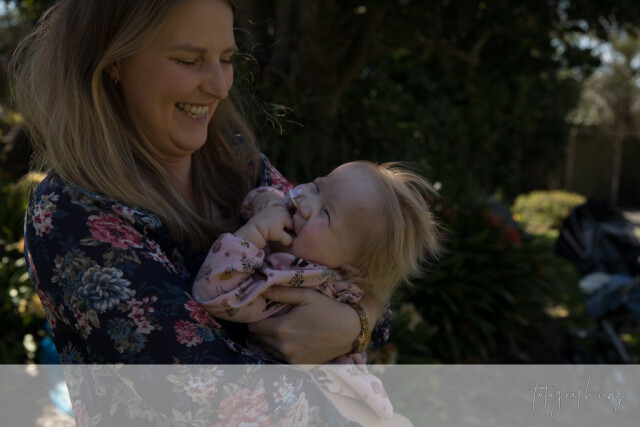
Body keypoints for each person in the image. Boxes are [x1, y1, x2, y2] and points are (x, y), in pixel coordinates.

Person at [8, 0, 412, 425]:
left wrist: (355, 322)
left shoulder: (234, 160)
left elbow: (359, 258)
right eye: (189, 60)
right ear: (113, 63)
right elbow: (208, 396)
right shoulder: (71, 210)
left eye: (226, 59)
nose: (220, 86)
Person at [192, 160, 441, 419]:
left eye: (326, 214)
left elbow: (215, 293)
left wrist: (253, 231)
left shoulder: (300, 278)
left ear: (346, 270)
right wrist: (267, 201)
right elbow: (266, 193)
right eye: (316, 186)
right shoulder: (303, 242)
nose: (305, 201)